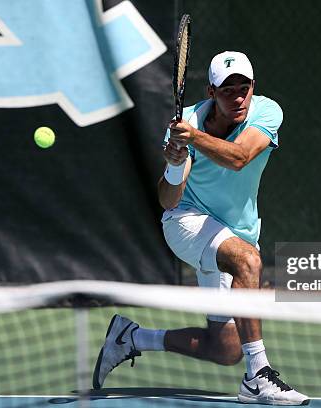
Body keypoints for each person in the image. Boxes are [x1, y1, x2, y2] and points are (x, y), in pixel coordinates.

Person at [92, 51, 309, 406]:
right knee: (248, 262)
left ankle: (131, 338)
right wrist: (175, 166)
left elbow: (239, 158)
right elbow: (168, 200)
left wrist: (192, 139)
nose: (238, 98)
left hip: (236, 230)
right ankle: (259, 377)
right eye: (227, 90)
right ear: (211, 92)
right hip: (186, 223)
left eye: (244, 88)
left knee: (224, 349)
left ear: (254, 88)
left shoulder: (266, 112)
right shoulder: (188, 122)